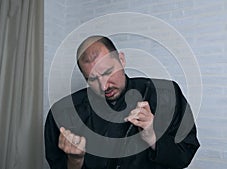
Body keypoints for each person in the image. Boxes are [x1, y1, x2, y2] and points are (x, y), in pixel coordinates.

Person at [44, 35, 200, 169]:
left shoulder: (166, 94)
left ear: (122, 59)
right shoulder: (63, 112)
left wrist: (152, 137)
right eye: (92, 79)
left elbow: (185, 154)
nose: (104, 86)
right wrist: (75, 160)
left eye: (107, 72)